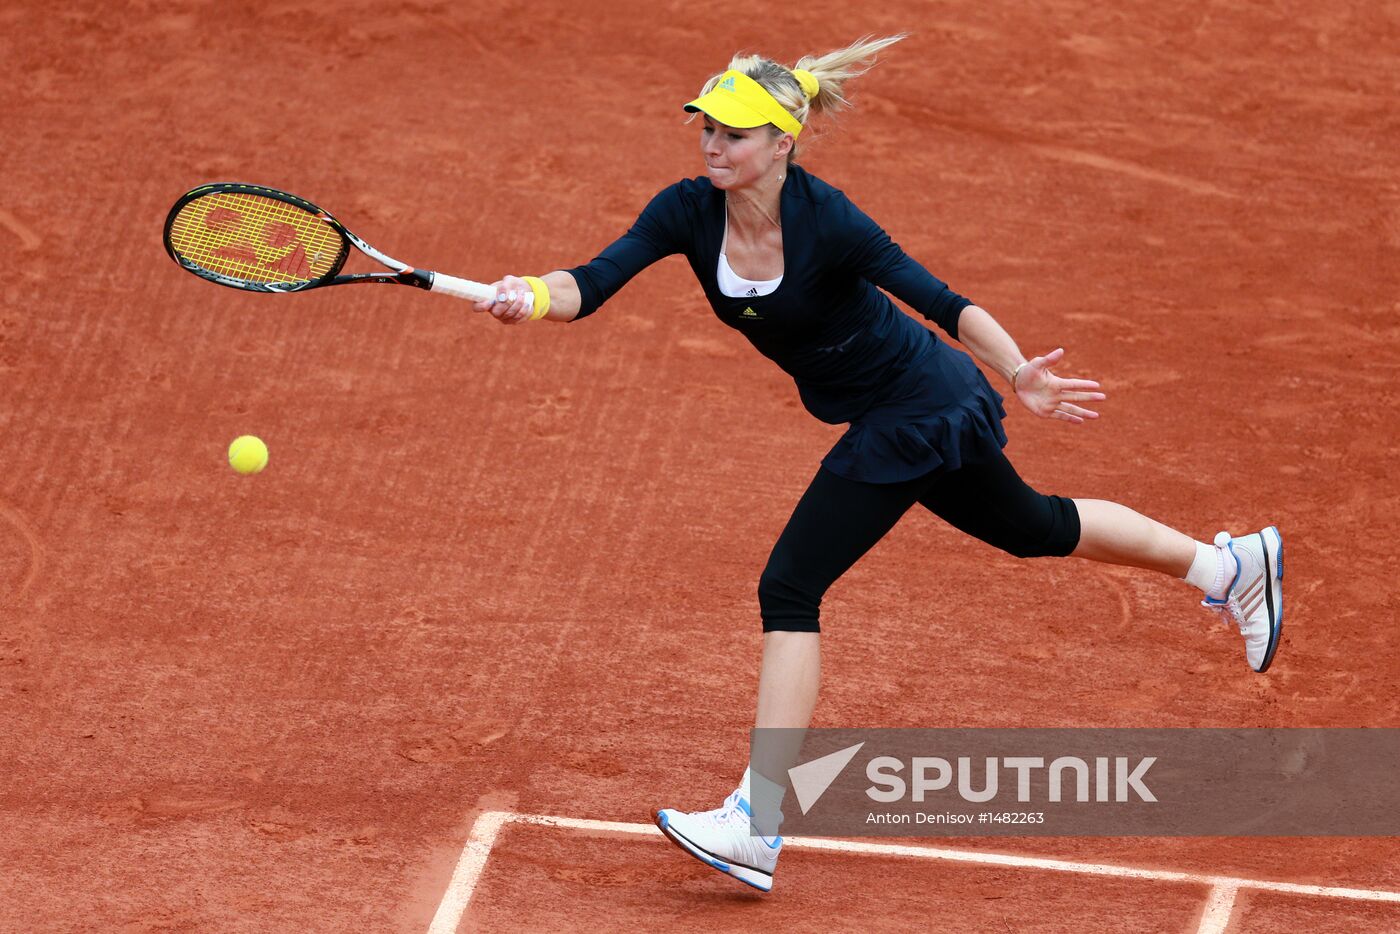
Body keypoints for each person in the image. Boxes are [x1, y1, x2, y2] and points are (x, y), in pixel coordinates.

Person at [473, 35, 1284, 893]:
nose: (714, 144)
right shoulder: (685, 211)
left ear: (782, 143)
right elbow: (590, 284)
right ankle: (1228, 565)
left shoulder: (830, 221)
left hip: (920, 402)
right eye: (707, 127)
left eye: (736, 133)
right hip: (902, 408)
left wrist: (1019, 374)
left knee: (789, 588)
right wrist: (526, 295)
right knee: (1033, 526)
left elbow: (943, 301)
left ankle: (758, 819)